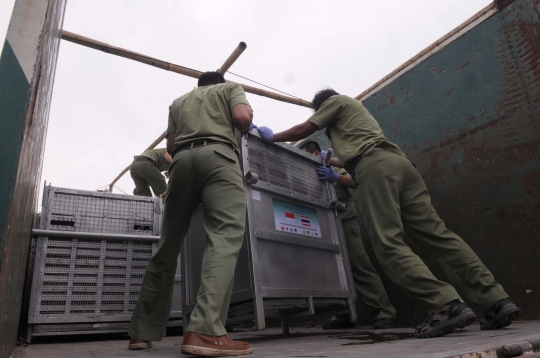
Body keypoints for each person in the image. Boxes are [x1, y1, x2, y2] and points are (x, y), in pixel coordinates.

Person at [251, 88, 519, 338]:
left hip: (374, 168)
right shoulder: (358, 117)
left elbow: (305, 129)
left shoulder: (335, 102)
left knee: (388, 243)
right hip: (400, 166)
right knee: (439, 237)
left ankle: (445, 304)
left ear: (323, 106)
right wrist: (327, 163)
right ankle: (495, 301)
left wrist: (272, 137)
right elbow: (349, 158)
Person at [128, 71, 254, 356]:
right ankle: (206, 331)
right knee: (223, 237)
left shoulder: (178, 102)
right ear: (220, 84)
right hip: (219, 157)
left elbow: (171, 147)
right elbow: (243, 119)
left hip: (181, 163)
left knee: (167, 246)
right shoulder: (231, 88)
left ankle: (141, 333)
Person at [298, 140, 398, 330]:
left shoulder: (331, 165)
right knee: (333, 273)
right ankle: (343, 315)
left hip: (343, 221)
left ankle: (385, 313)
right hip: (322, 226)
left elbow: (355, 181)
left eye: (305, 154)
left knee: (359, 266)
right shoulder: (304, 173)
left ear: (316, 153)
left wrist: (334, 177)